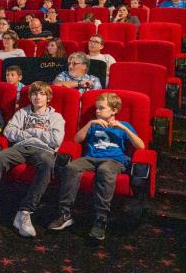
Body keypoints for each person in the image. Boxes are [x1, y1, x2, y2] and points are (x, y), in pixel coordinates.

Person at [0, 81, 65, 237]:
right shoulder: (22, 113)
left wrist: (29, 131)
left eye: (42, 94)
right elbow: (9, 132)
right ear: (30, 97)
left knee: (48, 163)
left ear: (48, 98)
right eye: (34, 94)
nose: (38, 97)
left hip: (43, 150)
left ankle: (24, 212)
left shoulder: (56, 117)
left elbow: (55, 140)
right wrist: (33, 133)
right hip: (20, 147)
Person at [48, 92, 145, 240]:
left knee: (104, 171)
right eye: (96, 108)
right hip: (91, 157)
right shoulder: (94, 124)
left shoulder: (124, 125)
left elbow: (141, 146)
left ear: (114, 110)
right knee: (71, 168)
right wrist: (90, 124)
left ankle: (101, 219)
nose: (97, 111)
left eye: (102, 108)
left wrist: (123, 128)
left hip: (114, 160)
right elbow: (76, 139)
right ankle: (64, 214)